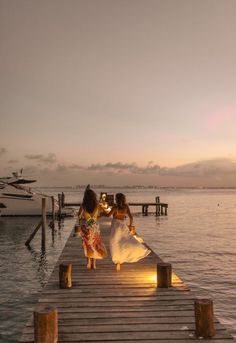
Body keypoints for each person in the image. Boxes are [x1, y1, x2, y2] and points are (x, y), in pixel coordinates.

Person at [109, 193, 151, 271]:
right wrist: (131, 226)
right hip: (123, 225)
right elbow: (131, 217)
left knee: (114, 243)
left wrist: (101, 214)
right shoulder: (126, 207)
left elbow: (108, 215)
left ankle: (117, 261)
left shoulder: (115, 207)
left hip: (116, 226)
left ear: (117, 199)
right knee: (125, 241)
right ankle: (122, 259)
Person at [77, 186, 107, 270]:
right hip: (95, 227)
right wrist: (95, 218)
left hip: (86, 227)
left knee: (87, 245)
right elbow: (104, 213)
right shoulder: (97, 205)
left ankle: (88, 262)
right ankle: (94, 264)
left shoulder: (83, 205)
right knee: (95, 244)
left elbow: (79, 216)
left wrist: (84, 217)